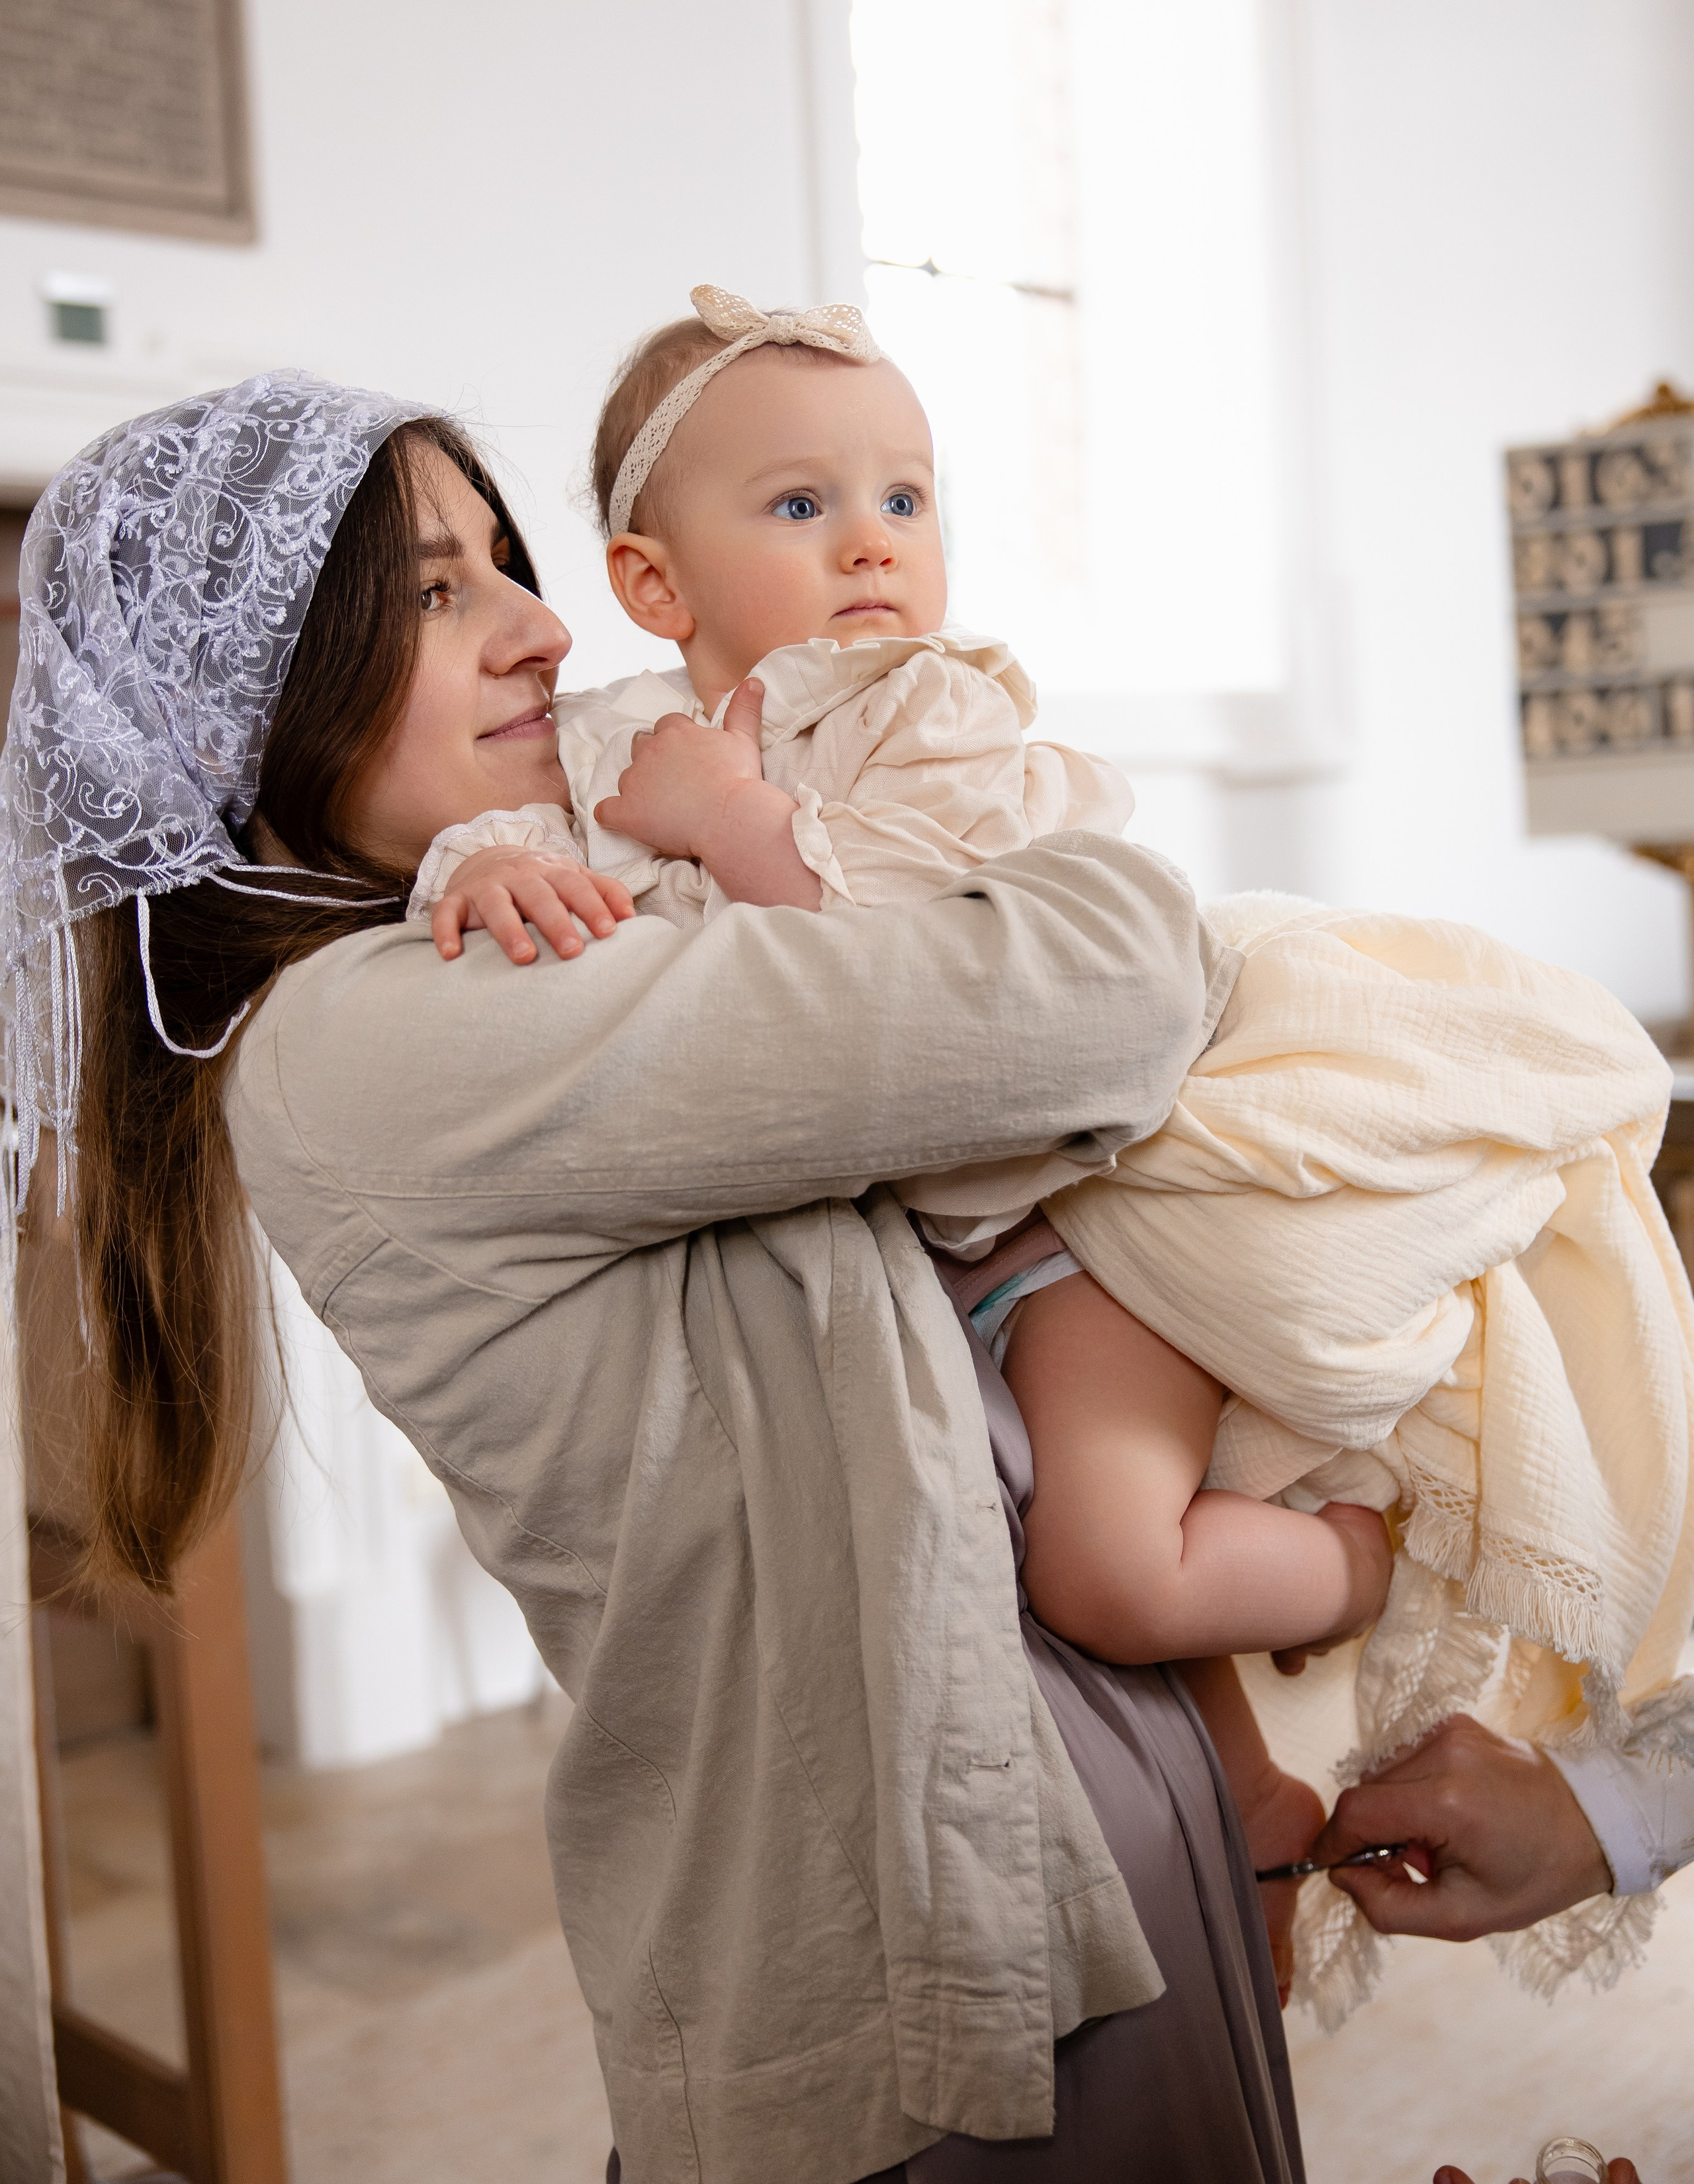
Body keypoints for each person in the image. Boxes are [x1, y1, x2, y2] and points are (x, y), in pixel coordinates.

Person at [2, 373, 1313, 2181]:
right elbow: (1110, 989)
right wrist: (991, 812)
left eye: (509, 567)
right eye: (438, 590)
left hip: (1055, 1798)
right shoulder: (384, 1037)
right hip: (920, 1940)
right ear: (249, 699)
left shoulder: (536, 915)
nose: (544, 632)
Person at [414, 287, 1694, 2019]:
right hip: (870, 1275)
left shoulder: (941, 725)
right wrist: (475, 879)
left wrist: (735, 823)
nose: (871, 540)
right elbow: (509, 844)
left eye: (907, 496)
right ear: (654, 585)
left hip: (1072, 1228)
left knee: (1107, 1571)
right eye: (801, 505)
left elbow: (940, 985)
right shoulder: (606, 744)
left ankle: (1384, 1549)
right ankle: (1240, 1793)